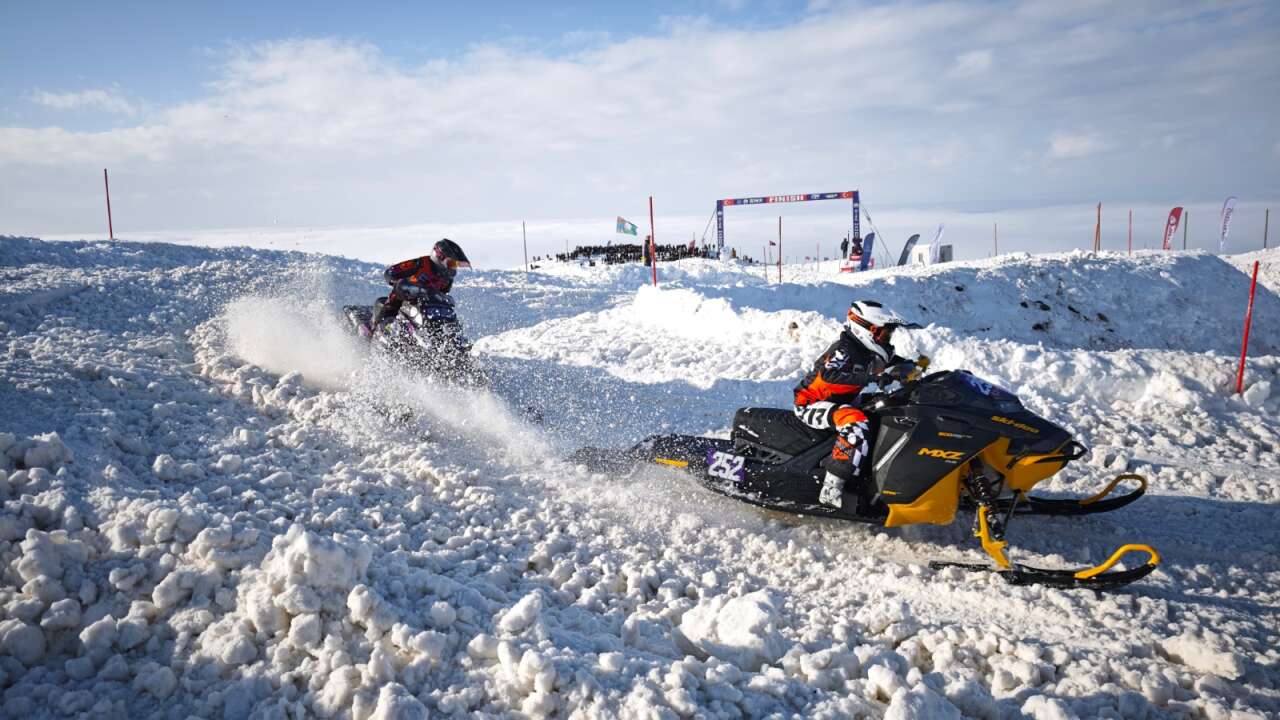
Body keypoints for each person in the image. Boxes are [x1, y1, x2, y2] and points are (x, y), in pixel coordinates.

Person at [793, 300, 924, 508]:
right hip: (811, 403)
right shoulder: (844, 349)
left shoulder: (870, 352)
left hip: (842, 401)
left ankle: (874, 474)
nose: (886, 338)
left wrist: (912, 368)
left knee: (888, 406)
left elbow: (893, 363)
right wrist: (872, 378)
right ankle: (831, 487)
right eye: (883, 333)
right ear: (866, 329)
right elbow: (828, 375)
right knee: (856, 422)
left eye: (888, 334)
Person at [371, 239, 471, 330]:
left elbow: (442, 294)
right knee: (391, 309)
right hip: (403, 301)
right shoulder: (421, 264)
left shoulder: (447, 279)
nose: (453, 268)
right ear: (439, 256)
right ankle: (374, 330)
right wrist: (401, 284)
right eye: (451, 264)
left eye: (455, 265)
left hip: (425, 307)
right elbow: (390, 273)